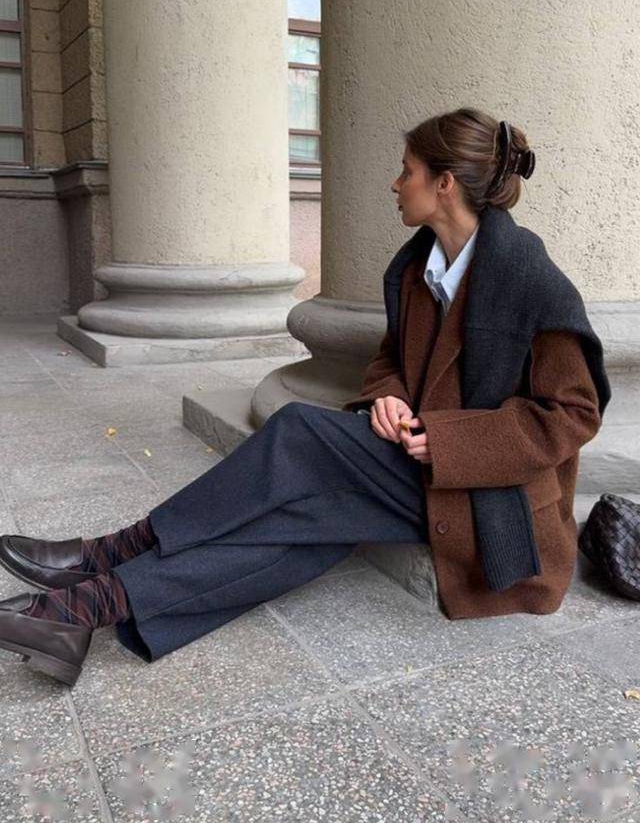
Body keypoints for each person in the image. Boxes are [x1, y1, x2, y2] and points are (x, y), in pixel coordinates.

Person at [0, 107, 608, 687]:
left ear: (444, 183)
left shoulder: (528, 277)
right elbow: (391, 359)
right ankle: (82, 610)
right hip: (414, 467)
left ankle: (112, 555)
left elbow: (575, 415)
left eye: (408, 171)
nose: (395, 184)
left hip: (490, 497)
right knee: (301, 523)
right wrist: (389, 397)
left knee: (299, 429)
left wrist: (448, 440)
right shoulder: (418, 268)